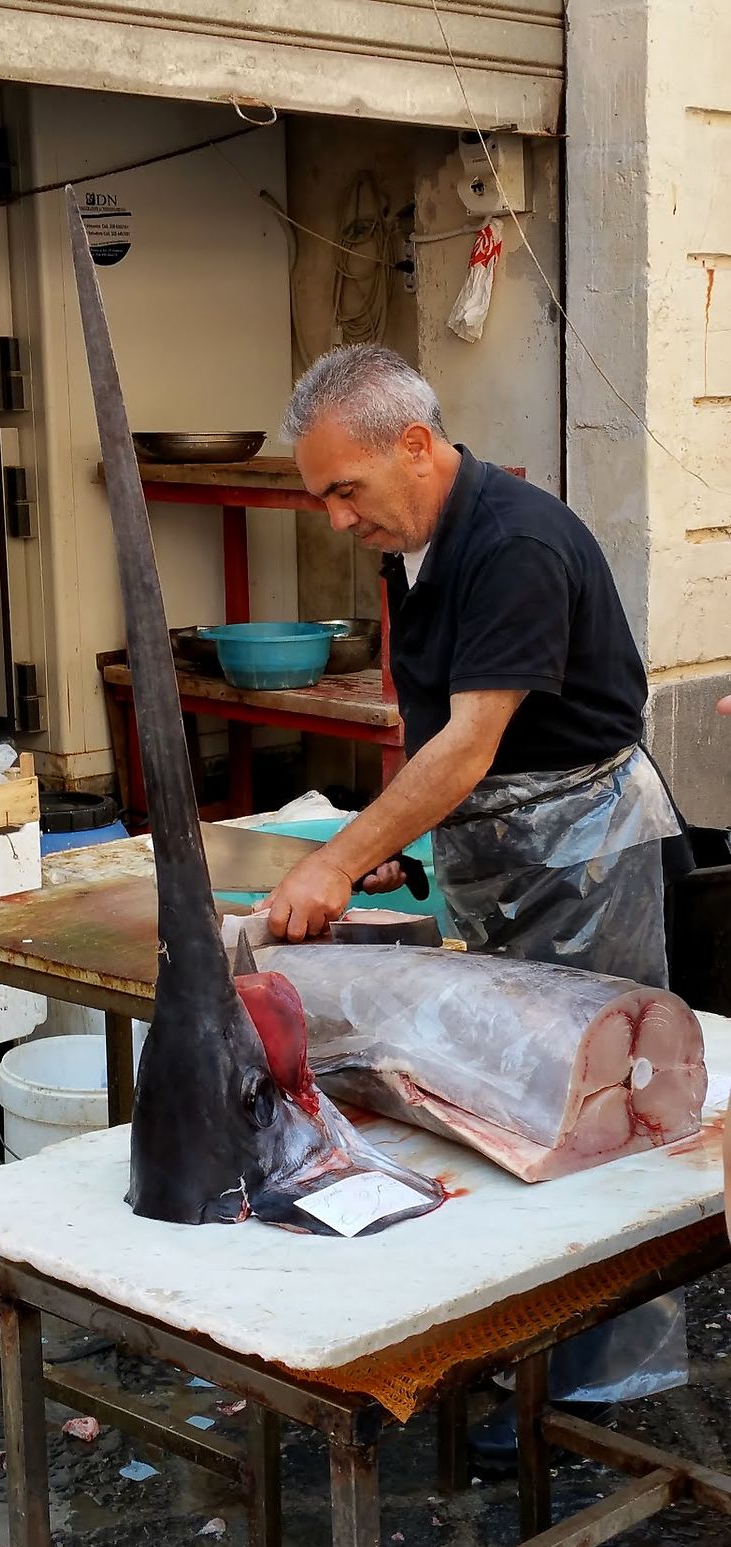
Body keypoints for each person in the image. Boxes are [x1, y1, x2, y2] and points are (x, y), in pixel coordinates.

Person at [263, 345, 689, 1467]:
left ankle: (602, 1383)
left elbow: (468, 740)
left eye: (343, 492)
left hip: (578, 854)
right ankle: (531, 1343)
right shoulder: (417, 540)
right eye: (321, 500)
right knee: (502, 1104)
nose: (337, 522)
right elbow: (432, 719)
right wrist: (413, 850)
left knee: (599, 1114)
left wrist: (336, 862)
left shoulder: (514, 542)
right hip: (503, 841)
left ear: (415, 444)